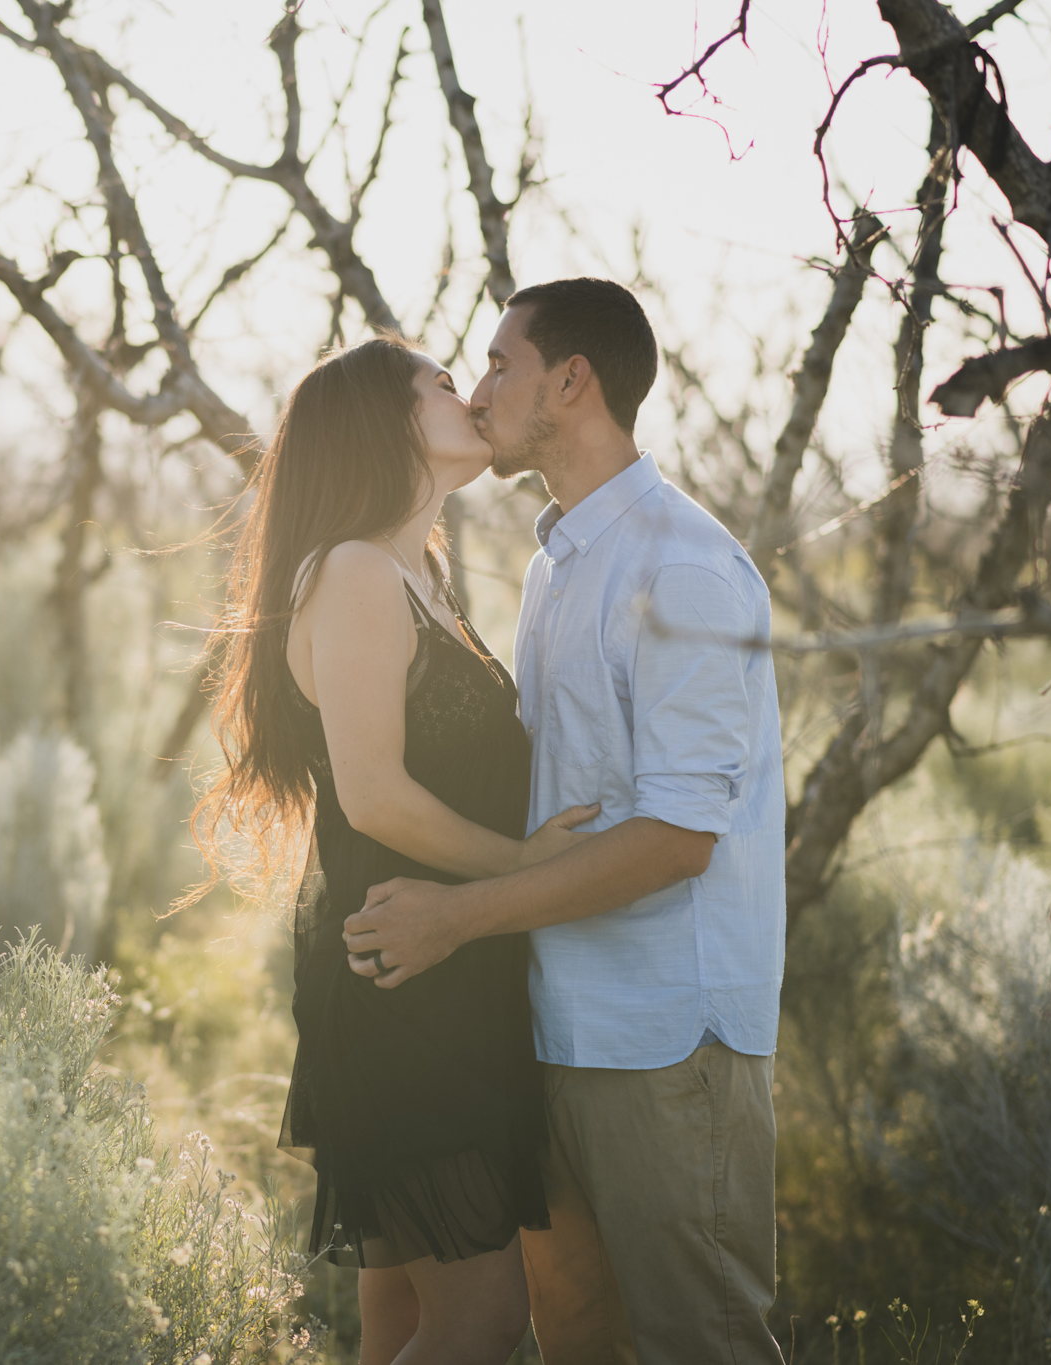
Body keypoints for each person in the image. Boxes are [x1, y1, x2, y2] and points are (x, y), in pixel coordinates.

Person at [340, 278, 787, 1365]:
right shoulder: (556, 562)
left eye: (499, 365)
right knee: (579, 1339)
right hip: (554, 1027)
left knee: (702, 1342)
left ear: (571, 381)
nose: (480, 389)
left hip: (665, 1043)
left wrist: (459, 916)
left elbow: (680, 838)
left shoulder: (680, 567)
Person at [192, 336, 598, 1365]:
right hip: (401, 977)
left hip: (439, 966)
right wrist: (526, 868)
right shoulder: (355, 572)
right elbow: (372, 795)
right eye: (442, 384)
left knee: (401, 1322)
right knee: (481, 1320)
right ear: (383, 420)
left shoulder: (415, 574)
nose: (468, 395)